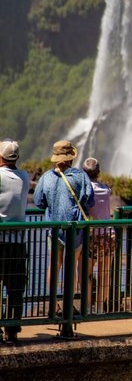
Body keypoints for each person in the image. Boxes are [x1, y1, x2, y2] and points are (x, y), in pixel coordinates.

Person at [33, 140, 94, 316]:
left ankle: (54, 305)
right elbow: (89, 200)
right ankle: (68, 305)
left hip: (54, 228)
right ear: (71, 158)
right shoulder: (81, 177)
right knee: (71, 265)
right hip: (74, 227)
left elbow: (38, 202)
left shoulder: (46, 177)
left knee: (54, 266)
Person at [0, 140, 30, 343]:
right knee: (16, 287)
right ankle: (12, 329)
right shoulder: (25, 176)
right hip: (18, 242)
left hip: (1, 240)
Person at [82, 157, 115, 314]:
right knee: (104, 273)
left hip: (91, 235)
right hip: (109, 234)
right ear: (99, 173)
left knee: (85, 272)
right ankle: (101, 308)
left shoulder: (84, 191)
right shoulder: (106, 189)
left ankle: (88, 307)